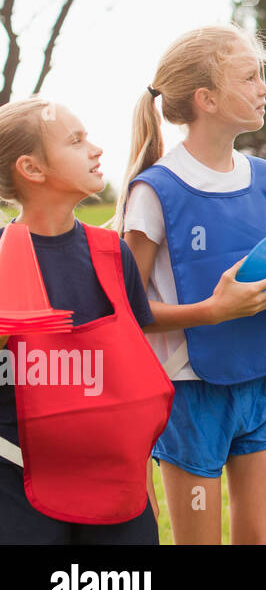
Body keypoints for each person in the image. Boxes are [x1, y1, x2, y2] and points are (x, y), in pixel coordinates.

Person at [115, 25, 266, 545]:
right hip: (192, 394)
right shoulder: (155, 190)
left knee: (259, 538)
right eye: (250, 77)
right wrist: (211, 311)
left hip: (263, 382)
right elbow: (125, 308)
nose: (265, 88)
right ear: (206, 99)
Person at [0, 99, 172, 544]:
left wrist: (143, 482)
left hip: (114, 483)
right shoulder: (1, 257)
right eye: (76, 141)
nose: (95, 149)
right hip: (17, 479)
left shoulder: (113, 255)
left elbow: (130, 384)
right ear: (31, 169)